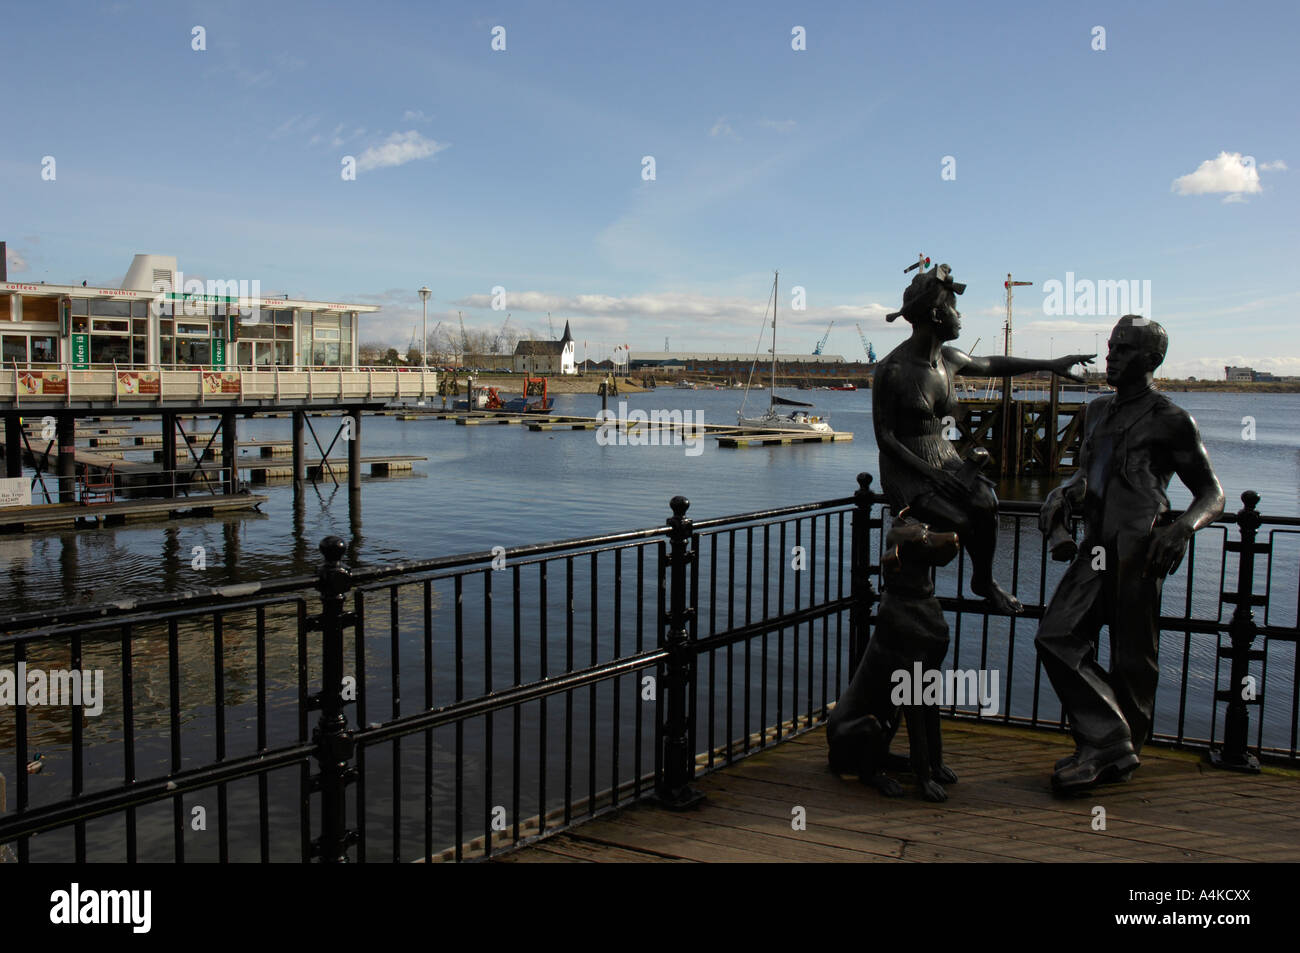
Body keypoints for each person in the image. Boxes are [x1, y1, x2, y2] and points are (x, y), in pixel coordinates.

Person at [1035, 315, 1224, 792]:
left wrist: (1183, 528)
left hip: (1140, 547)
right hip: (1097, 545)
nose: (1110, 356)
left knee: (1133, 657)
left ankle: (1112, 752)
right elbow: (1085, 475)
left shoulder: (1171, 418)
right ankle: (1111, 741)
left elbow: (1211, 493)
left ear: (1152, 360)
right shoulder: (1096, 412)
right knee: (1056, 636)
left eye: (1123, 349)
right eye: (1111, 346)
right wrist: (1065, 493)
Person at [873, 263, 1094, 614]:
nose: (960, 316)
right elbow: (885, 439)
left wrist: (1052, 364)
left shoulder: (947, 359)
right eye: (954, 308)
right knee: (960, 520)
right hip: (908, 469)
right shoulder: (892, 370)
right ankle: (914, 593)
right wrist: (934, 477)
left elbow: (992, 364)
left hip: (943, 458)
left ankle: (983, 580)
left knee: (987, 500)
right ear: (935, 314)